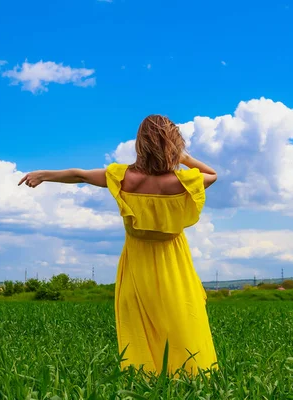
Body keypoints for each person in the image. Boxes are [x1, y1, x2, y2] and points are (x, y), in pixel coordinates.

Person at [18, 115, 219, 376]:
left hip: (136, 259)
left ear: (140, 145)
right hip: (173, 259)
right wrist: (182, 157)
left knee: (139, 317)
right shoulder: (182, 182)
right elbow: (212, 174)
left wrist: (44, 175)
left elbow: (80, 175)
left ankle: (146, 372)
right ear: (172, 145)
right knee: (181, 315)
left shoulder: (123, 177)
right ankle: (188, 370)